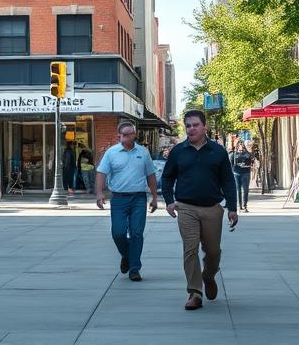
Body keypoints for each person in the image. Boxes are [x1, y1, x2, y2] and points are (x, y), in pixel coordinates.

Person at [161, 109, 238, 310]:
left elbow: (228, 181)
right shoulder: (178, 151)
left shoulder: (218, 151)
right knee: (190, 248)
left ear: (205, 127)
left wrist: (232, 207)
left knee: (213, 251)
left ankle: (208, 275)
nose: (191, 128)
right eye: (188, 125)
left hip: (212, 208)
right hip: (186, 207)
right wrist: (169, 200)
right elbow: (167, 177)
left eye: (195, 125)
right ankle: (194, 292)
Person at [95, 120, 158, 282]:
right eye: (123, 135)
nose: (126, 137)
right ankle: (127, 255)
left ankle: (134, 268)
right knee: (118, 233)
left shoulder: (143, 152)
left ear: (134, 135)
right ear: (119, 135)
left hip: (138, 198)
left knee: (137, 233)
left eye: (129, 134)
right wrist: (99, 193)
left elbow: (151, 175)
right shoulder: (112, 152)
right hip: (118, 199)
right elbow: (101, 173)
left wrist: (155, 197)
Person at [230, 141, 255, 212]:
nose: (241, 146)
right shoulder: (234, 154)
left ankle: (245, 205)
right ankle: (240, 206)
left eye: (242, 144)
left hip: (245, 173)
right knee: (238, 190)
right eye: (239, 144)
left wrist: (250, 152)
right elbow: (231, 165)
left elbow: (252, 162)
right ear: (237, 145)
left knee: (245, 189)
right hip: (236, 173)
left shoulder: (247, 154)